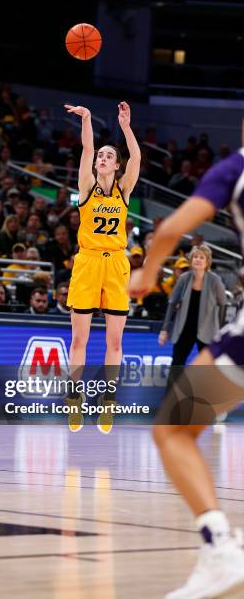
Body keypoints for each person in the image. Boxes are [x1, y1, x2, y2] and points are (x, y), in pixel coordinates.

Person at [129, 146, 244, 598]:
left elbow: (173, 228)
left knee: (174, 430)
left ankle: (219, 549)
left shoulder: (235, 168)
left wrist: (146, 273)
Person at [64, 101, 140, 433]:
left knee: (115, 342)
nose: (102, 158)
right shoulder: (86, 188)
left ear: (117, 165)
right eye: (100, 156)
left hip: (117, 266)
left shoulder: (123, 190)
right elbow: (86, 147)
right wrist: (87, 119)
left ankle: (108, 401)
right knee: (78, 339)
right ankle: (74, 398)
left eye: (109, 156)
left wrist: (125, 127)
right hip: (88, 262)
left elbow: (136, 158)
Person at [159, 245, 226, 367]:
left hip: (207, 329)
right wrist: (164, 329)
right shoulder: (184, 278)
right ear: (191, 260)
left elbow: (223, 304)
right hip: (184, 328)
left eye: (201, 257)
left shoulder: (215, 280)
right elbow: (172, 303)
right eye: (195, 257)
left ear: (207, 262)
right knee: (177, 364)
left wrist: (219, 330)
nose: (198, 259)